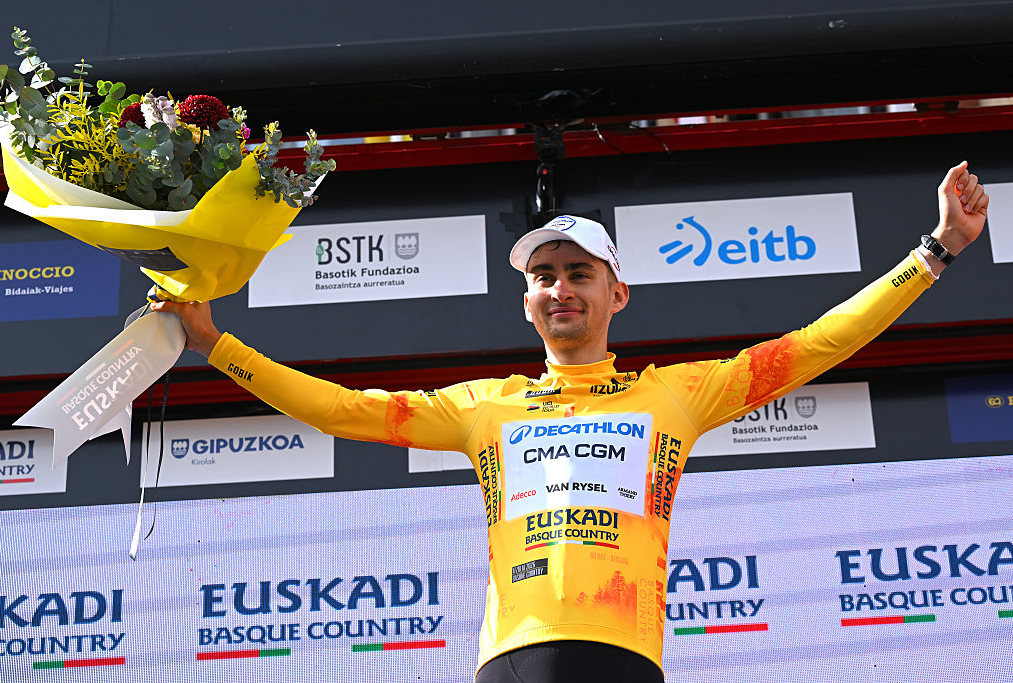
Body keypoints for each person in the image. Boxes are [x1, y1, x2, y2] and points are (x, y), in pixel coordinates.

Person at [154, 162, 988, 682]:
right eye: (544, 276)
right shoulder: (485, 407)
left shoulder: (675, 395)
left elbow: (814, 345)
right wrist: (217, 344)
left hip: (625, 657)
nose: (560, 288)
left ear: (615, 292)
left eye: (578, 273)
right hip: (512, 656)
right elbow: (344, 411)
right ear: (526, 301)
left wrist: (936, 252)